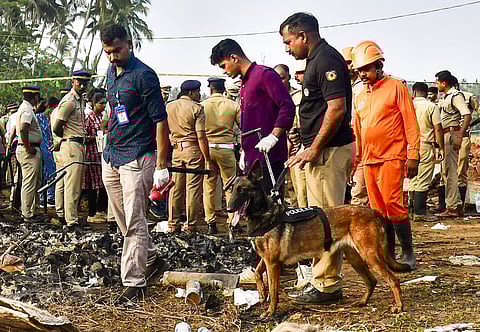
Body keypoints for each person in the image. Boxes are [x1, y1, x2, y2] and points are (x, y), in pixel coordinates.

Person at [280, 12, 353, 305]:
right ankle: (322, 279)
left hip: (328, 151)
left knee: (327, 220)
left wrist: (314, 147)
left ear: (303, 36)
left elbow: (336, 108)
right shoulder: (315, 60)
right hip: (319, 150)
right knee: (319, 218)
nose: (287, 48)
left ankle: (327, 285)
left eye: (288, 42)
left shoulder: (326, 60)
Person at [100, 23, 170, 303]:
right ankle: (151, 258)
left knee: (135, 220)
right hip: (112, 154)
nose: (113, 57)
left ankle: (135, 282)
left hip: (138, 155)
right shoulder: (110, 73)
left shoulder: (144, 75)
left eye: (117, 50)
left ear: (129, 43)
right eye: (107, 52)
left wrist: (162, 163)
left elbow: (160, 121)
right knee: (123, 220)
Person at [351, 40, 419, 269]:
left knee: (393, 203)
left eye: (367, 68)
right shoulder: (360, 96)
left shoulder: (396, 87)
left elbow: (410, 123)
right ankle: (389, 254)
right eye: (359, 70)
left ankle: (408, 252)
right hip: (369, 160)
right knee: (378, 209)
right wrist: (357, 160)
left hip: (392, 156)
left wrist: (413, 154)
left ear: (379, 65)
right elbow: (359, 131)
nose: (363, 74)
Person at [210, 38, 295, 196]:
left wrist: (274, 136)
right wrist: (245, 150)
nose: (224, 71)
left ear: (234, 58)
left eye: (223, 65)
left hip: (268, 157)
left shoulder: (264, 75)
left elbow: (287, 106)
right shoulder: (244, 83)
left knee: (271, 208)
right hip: (252, 158)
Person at [166, 80, 212, 233]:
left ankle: (173, 223)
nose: (199, 94)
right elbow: (201, 136)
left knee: (175, 187)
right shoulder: (197, 108)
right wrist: (207, 157)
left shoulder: (169, 106)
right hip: (193, 150)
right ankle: (190, 225)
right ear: (191, 93)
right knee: (193, 188)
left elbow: (163, 129)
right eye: (198, 91)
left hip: (176, 150)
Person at [201, 77, 240, 234]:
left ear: (210, 89)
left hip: (207, 149)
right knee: (230, 187)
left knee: (209, 187)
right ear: (224, 89)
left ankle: (211, 222)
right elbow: (242, 126)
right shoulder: (233, 105)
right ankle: (233, 222)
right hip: (226, 148)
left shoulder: (202, 106)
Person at [53, 69, 91, 229]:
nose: (82, 85)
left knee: (65, 183)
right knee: (73, 185)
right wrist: (67, 138)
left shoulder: (79, 100)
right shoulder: (69, 101)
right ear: (73, 80)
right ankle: (71, 221)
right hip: (71, 144)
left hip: (76, 143)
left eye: (85, 82)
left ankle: (64, 215)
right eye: (79, 81)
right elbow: (57, 127)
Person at [434, 70, 471, 217]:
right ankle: (454, 204)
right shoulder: (446, 97)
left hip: (451, 134)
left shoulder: (455, 96)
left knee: (451, 172)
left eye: (437, 82)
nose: (436, 85)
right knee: (446, 171)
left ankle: (452, 206)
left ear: (444, 83)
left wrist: (460, 133)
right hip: (445, 135)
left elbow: (466, 114)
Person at [409, 82, 444, 222]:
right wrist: (440, 147)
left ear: (414, 92)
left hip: (409, 146)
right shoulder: (431, 106)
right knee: (423, 178)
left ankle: (411, 209)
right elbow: (438, 128)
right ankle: (420, 212)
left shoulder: (408, 105)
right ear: (426, 92)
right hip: (425, 145)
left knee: (412, 178)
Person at [274, 63, 307, 208]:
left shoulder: (299, 95)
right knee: (285, 189)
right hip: (280, 147)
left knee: (301, 190)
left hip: (298, 146)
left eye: (282, 78)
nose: (280, 82)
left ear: (289, 77)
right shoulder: (270, 98)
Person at [342, 46, 368, 206]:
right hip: (351, 137)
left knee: (360, 186)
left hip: (364, 138)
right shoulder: (349, 85)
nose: (349, 67)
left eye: (351, 63)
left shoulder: (363, 85)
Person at [15, 85, 43, 222]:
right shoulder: (26, 110)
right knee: (29, 183)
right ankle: (27, 214)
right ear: (35, 96)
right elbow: (23, 128)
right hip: (28, 150)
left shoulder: (26, 108)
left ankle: (30, 211)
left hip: (29, 148)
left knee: (33, 182)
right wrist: (27, 147)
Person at [453, 77, 479, 207]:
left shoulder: (468, 97)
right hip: (449, 138)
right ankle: (448, 203)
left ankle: (460, 205)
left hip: (462, 136)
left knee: (461, 169)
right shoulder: (444, 98)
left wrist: (469, 125)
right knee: (446, 172)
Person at [83, 90, 108, 222]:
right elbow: (84, 136)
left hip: (102, 154)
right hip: (92, 154)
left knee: (104, 183)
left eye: (104, 103)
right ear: (94, 104)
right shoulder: (90, 118)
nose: (103, 106)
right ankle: (92, 213)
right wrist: (96, 138)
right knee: (92, 185)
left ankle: (101, 210)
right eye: (100, 103)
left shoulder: (103, 117)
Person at [36, 97, 56, 207]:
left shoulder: (39, 116)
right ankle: (49, 197)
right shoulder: (42, 117)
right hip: (46, 147)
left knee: (45, 172)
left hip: (44, 147)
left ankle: (45, 197)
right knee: (49, 171)